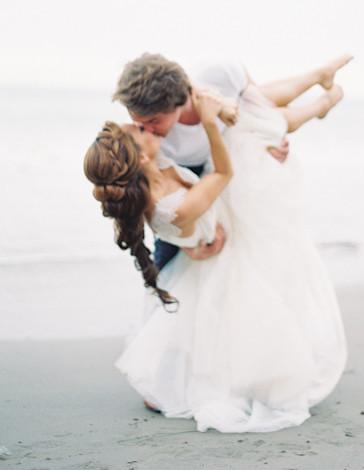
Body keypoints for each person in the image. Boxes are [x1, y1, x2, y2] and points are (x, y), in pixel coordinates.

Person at [84, 78, 347, 433]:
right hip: (217, 240)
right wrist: (210, 121)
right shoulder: (170, 204)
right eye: (138, 128)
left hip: (208, 227)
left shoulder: (148, 170)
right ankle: (321, 102)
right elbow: (223, 173)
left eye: (142, 122)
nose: (143, 125)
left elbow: (186, 134)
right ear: (141, 155)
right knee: (232, 324)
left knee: (253, 129)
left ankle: (317, 99)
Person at [113, 54, 352, 268]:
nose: (143, 128)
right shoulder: (150, 140)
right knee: (165, 266)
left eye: (152, 120)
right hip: (197, 177)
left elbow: (258, 107)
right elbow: (152, 196)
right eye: (137, 121)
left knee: (264, 109)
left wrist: (268, 138)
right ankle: (321, 97)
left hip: (233, 143)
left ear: (174, 104)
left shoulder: (220, 73)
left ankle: (321, 88)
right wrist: (186, 239)